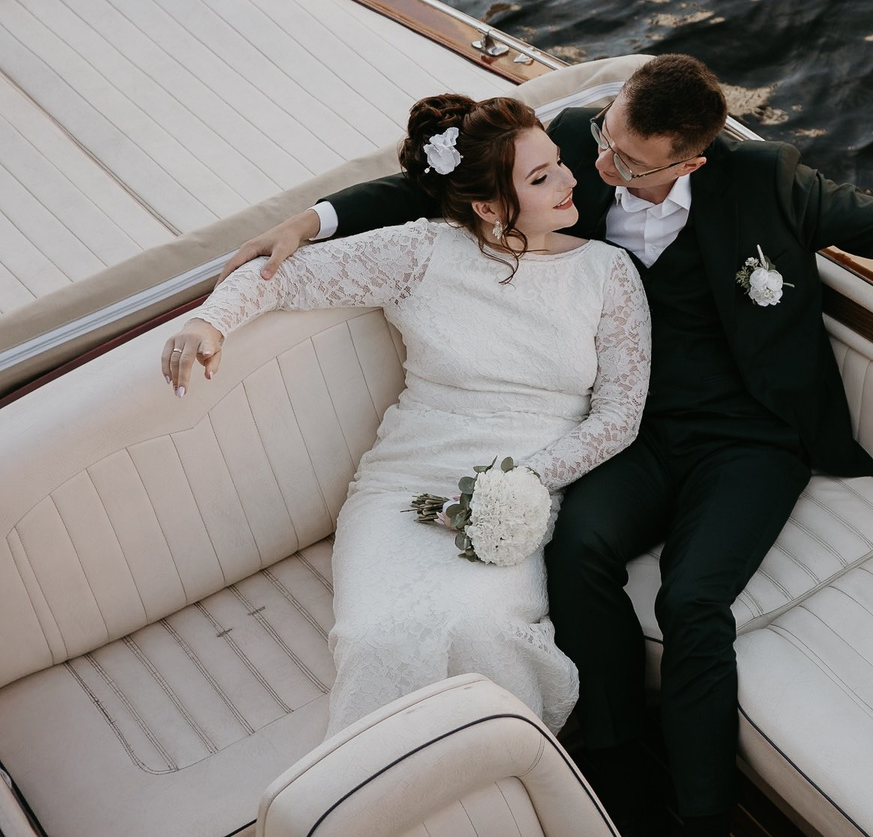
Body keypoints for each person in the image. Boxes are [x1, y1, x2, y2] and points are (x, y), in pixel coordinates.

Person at [224, 54, 873, 835]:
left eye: (628, 161)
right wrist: (311, 222)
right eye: (604, 141)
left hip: (751, 440)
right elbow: (437, 190)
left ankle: (704, 817)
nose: (600, 166)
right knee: (576, 551)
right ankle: (617, 777)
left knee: (691, 602)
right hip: (635, 431)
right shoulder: (583, 147)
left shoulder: (770, 183)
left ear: (692, 160)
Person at [166, 94, 649, 738]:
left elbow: (619, 415)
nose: (569, 180)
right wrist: (210, 322)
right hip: (406, 486)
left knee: (483, 628)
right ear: (487, 207)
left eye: (559, 162)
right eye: (541, 178)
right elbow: (280, 277)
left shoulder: (608, 272)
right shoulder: (424, 251)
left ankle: (500, 775)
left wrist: (519, 485)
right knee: (374, 638)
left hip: (523, 492)